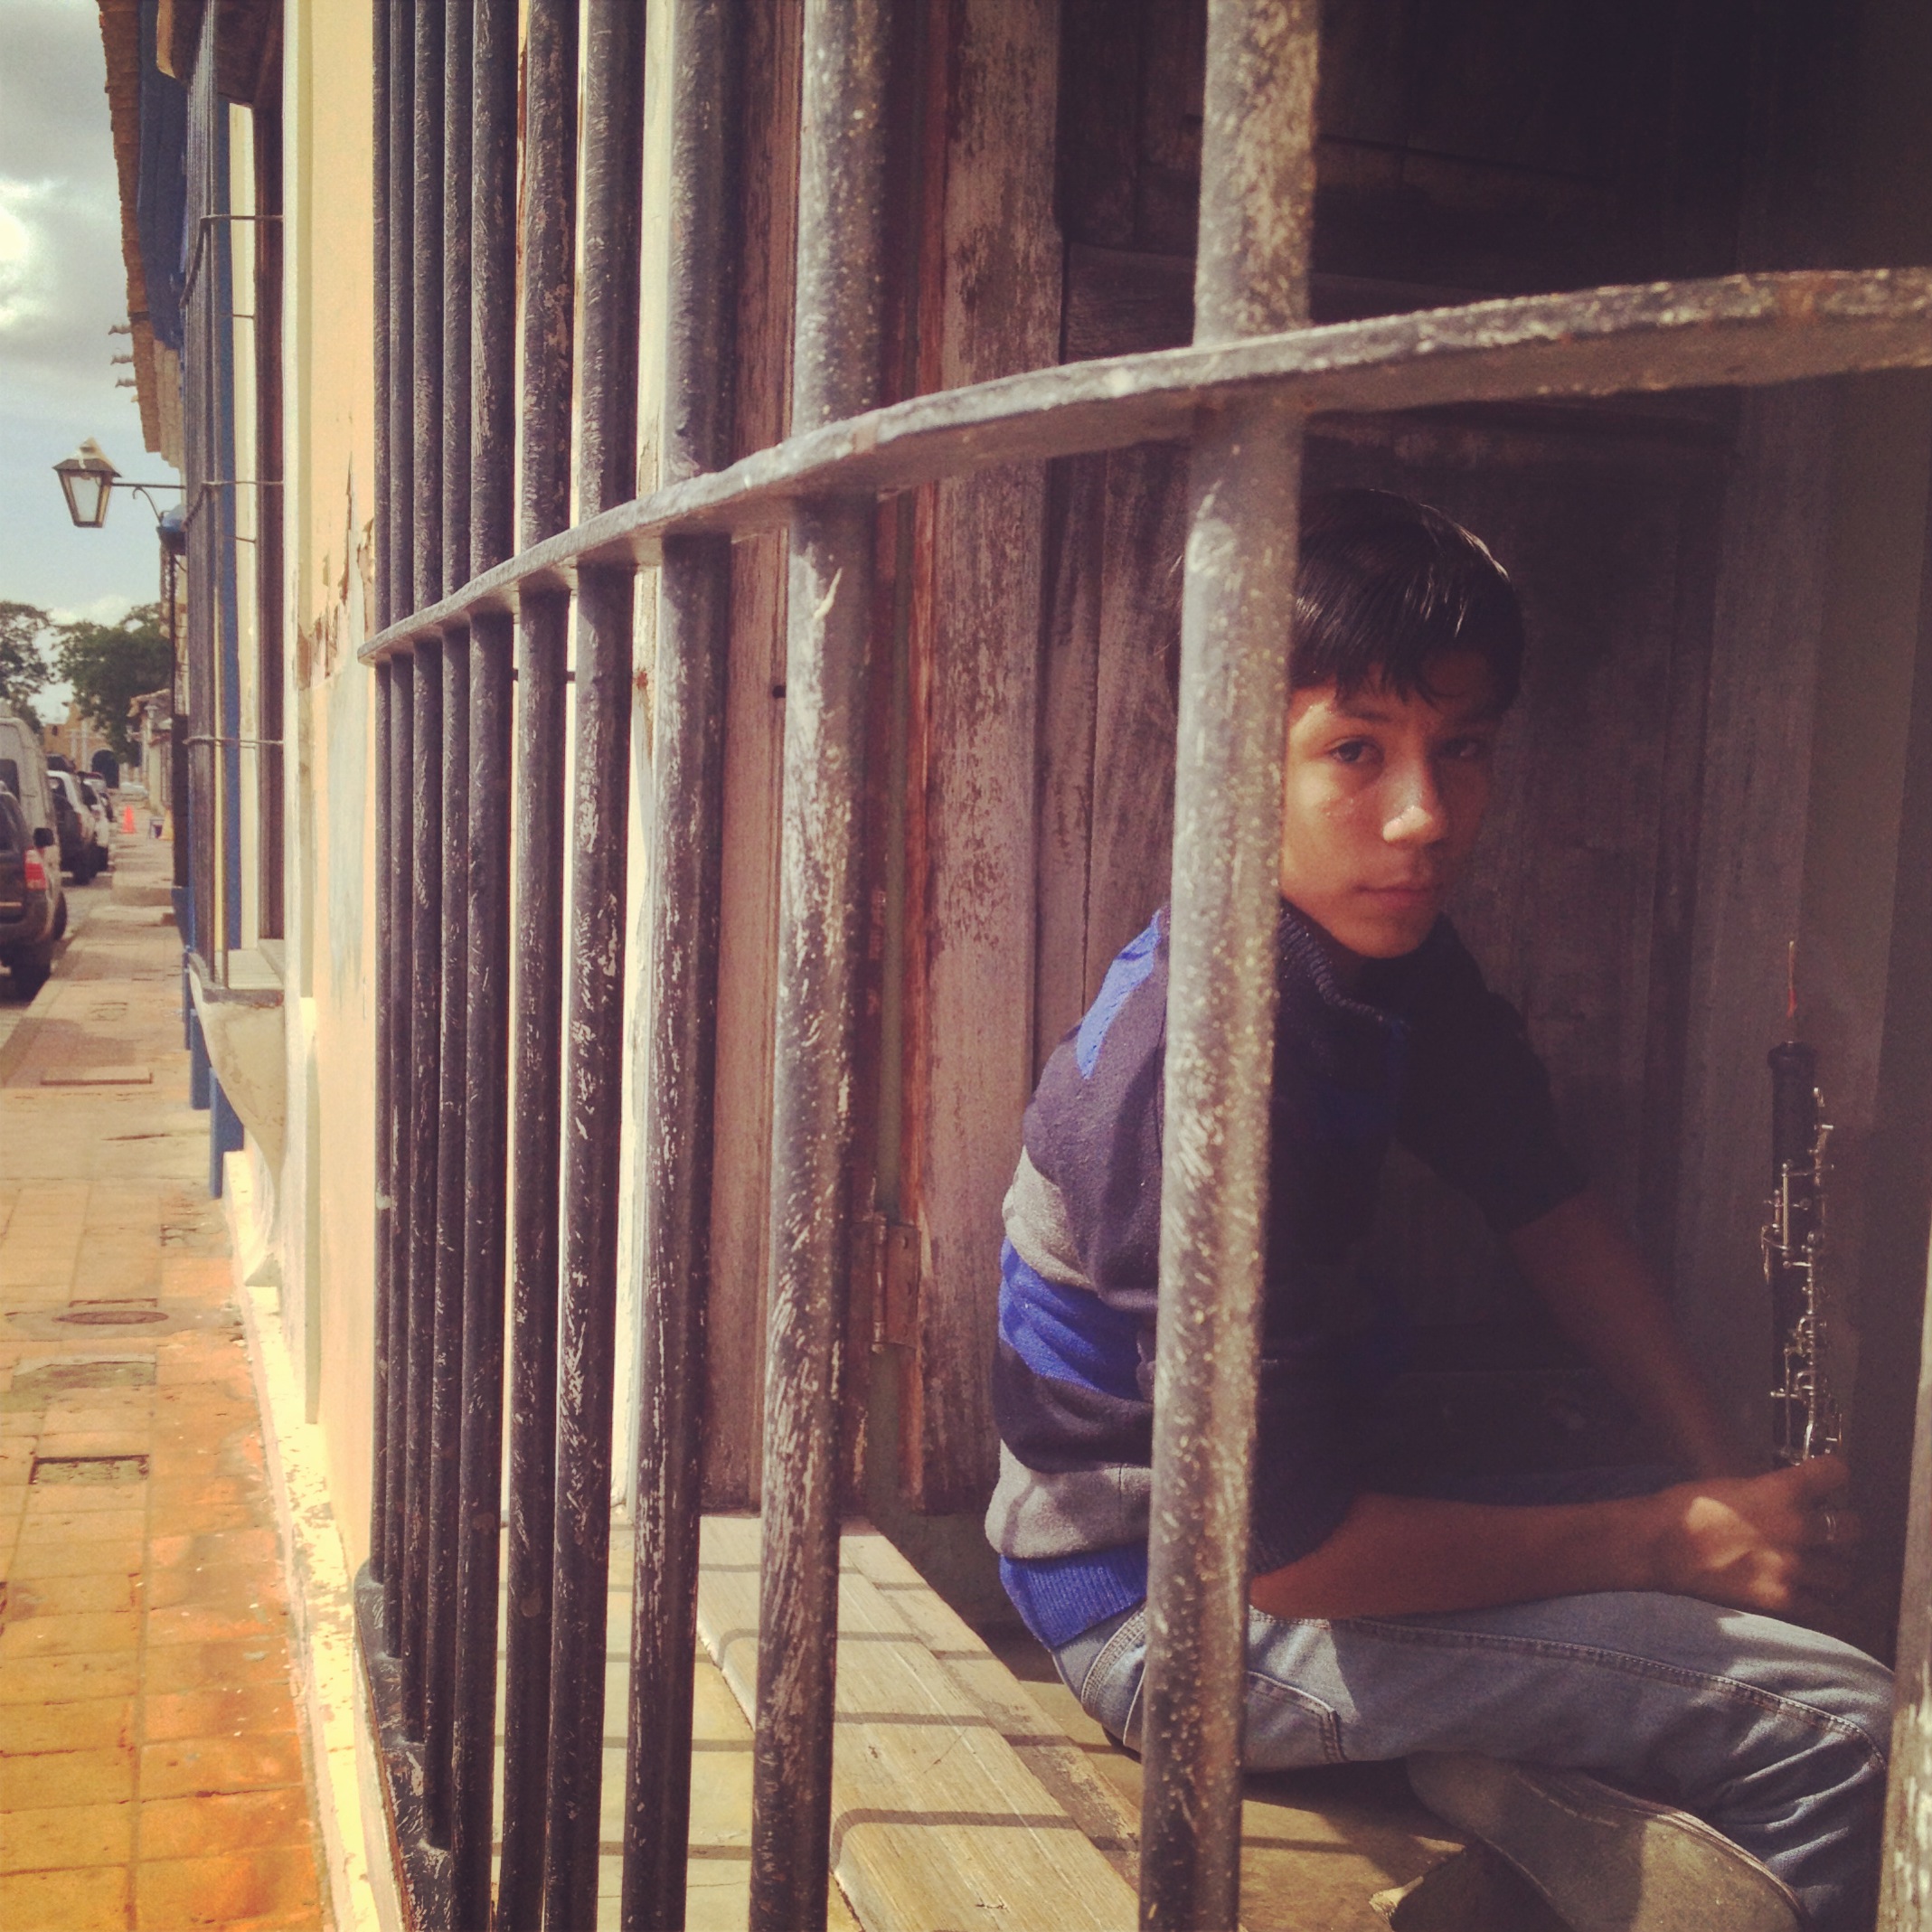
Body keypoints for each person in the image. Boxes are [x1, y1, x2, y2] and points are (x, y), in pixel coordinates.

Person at [985, 489, 1891, 1932]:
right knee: (1854, 1739)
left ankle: (1507, 1759)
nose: (1423, 816)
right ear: (1233, 759)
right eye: (1354, 750)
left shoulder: (1380, 948)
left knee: (1807, 1564)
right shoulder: (1201, 1065)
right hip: (1166, 1612)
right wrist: (1669, 1538)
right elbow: (1284, 1554)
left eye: (1460, 748)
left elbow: (1543, 1197)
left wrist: (1727, 1483)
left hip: (1309, 1503)